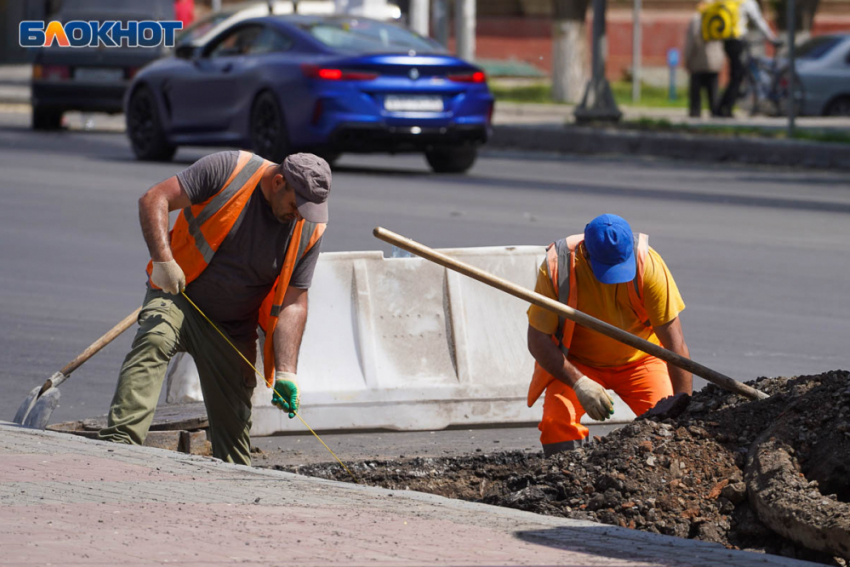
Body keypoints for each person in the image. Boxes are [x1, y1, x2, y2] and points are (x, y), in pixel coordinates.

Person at [99, 151, 330, 466]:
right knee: (154, 339)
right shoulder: (229, 170)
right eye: (295, 205)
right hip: (180, 296)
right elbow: (154, 199)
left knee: (234, 442)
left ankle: (235, 486)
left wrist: (287, 372)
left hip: (233, 327)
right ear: (279, 182)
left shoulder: (309, 228)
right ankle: (118, 451)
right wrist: (164, 261)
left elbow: (293, 301)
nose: (300, 216)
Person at [526, 214, 693, 456]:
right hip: (579, 363)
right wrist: (579, 383)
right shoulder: (557, 266)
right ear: (586, 253)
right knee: (556, 424)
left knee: (666, 426)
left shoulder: (649, 267)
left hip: (641, 360)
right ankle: (564, 479)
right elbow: (537, 340)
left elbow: (675, 344)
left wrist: (684, 408)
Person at [711, 0, 778, 117]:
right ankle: (725, 108)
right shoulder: (746, 2)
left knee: (735, 75)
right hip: (738, 40)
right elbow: (758, 20)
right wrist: (771, 37)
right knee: (737, 76)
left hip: (727, 40)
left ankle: (722, 107)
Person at [684, 12, 724, 117]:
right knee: (713, 89)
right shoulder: (719, 17)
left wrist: (687, 58)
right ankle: (715, 111)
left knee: (696, 90)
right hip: (715, 60)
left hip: (698, 60)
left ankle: (695, 111)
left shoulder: (696, 19)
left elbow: (691, 41)